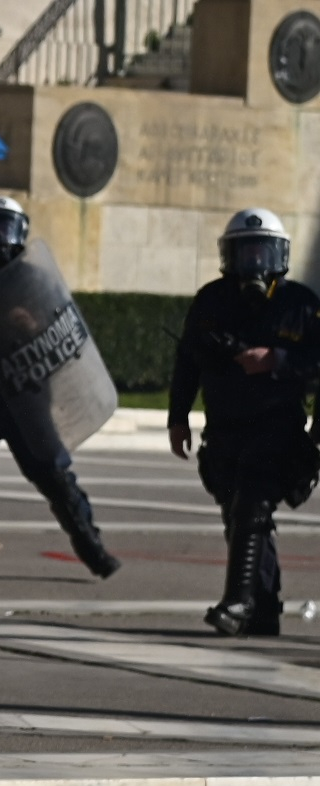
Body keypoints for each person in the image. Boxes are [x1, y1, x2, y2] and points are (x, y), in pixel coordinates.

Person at [0, 196, 120, 579]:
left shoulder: (35, 280)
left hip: (27, 396)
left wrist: (31, 323)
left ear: (20, 232)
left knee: (55, 476)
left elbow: (62, 331)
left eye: (5, 228)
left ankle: (92, 549)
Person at [169, 208, 320, 637]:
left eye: (262, 252)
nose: (254, 263)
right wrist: (177, 418)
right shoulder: (211, 301)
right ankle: (264, 610)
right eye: (245, 253)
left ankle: (236, 603)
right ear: (229, 255)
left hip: (278, 426)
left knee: (252, 507)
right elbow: (187, 363)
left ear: (279, 255)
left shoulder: (303, 305)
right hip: (225, 428)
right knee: (239, 517)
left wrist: (278, 360)